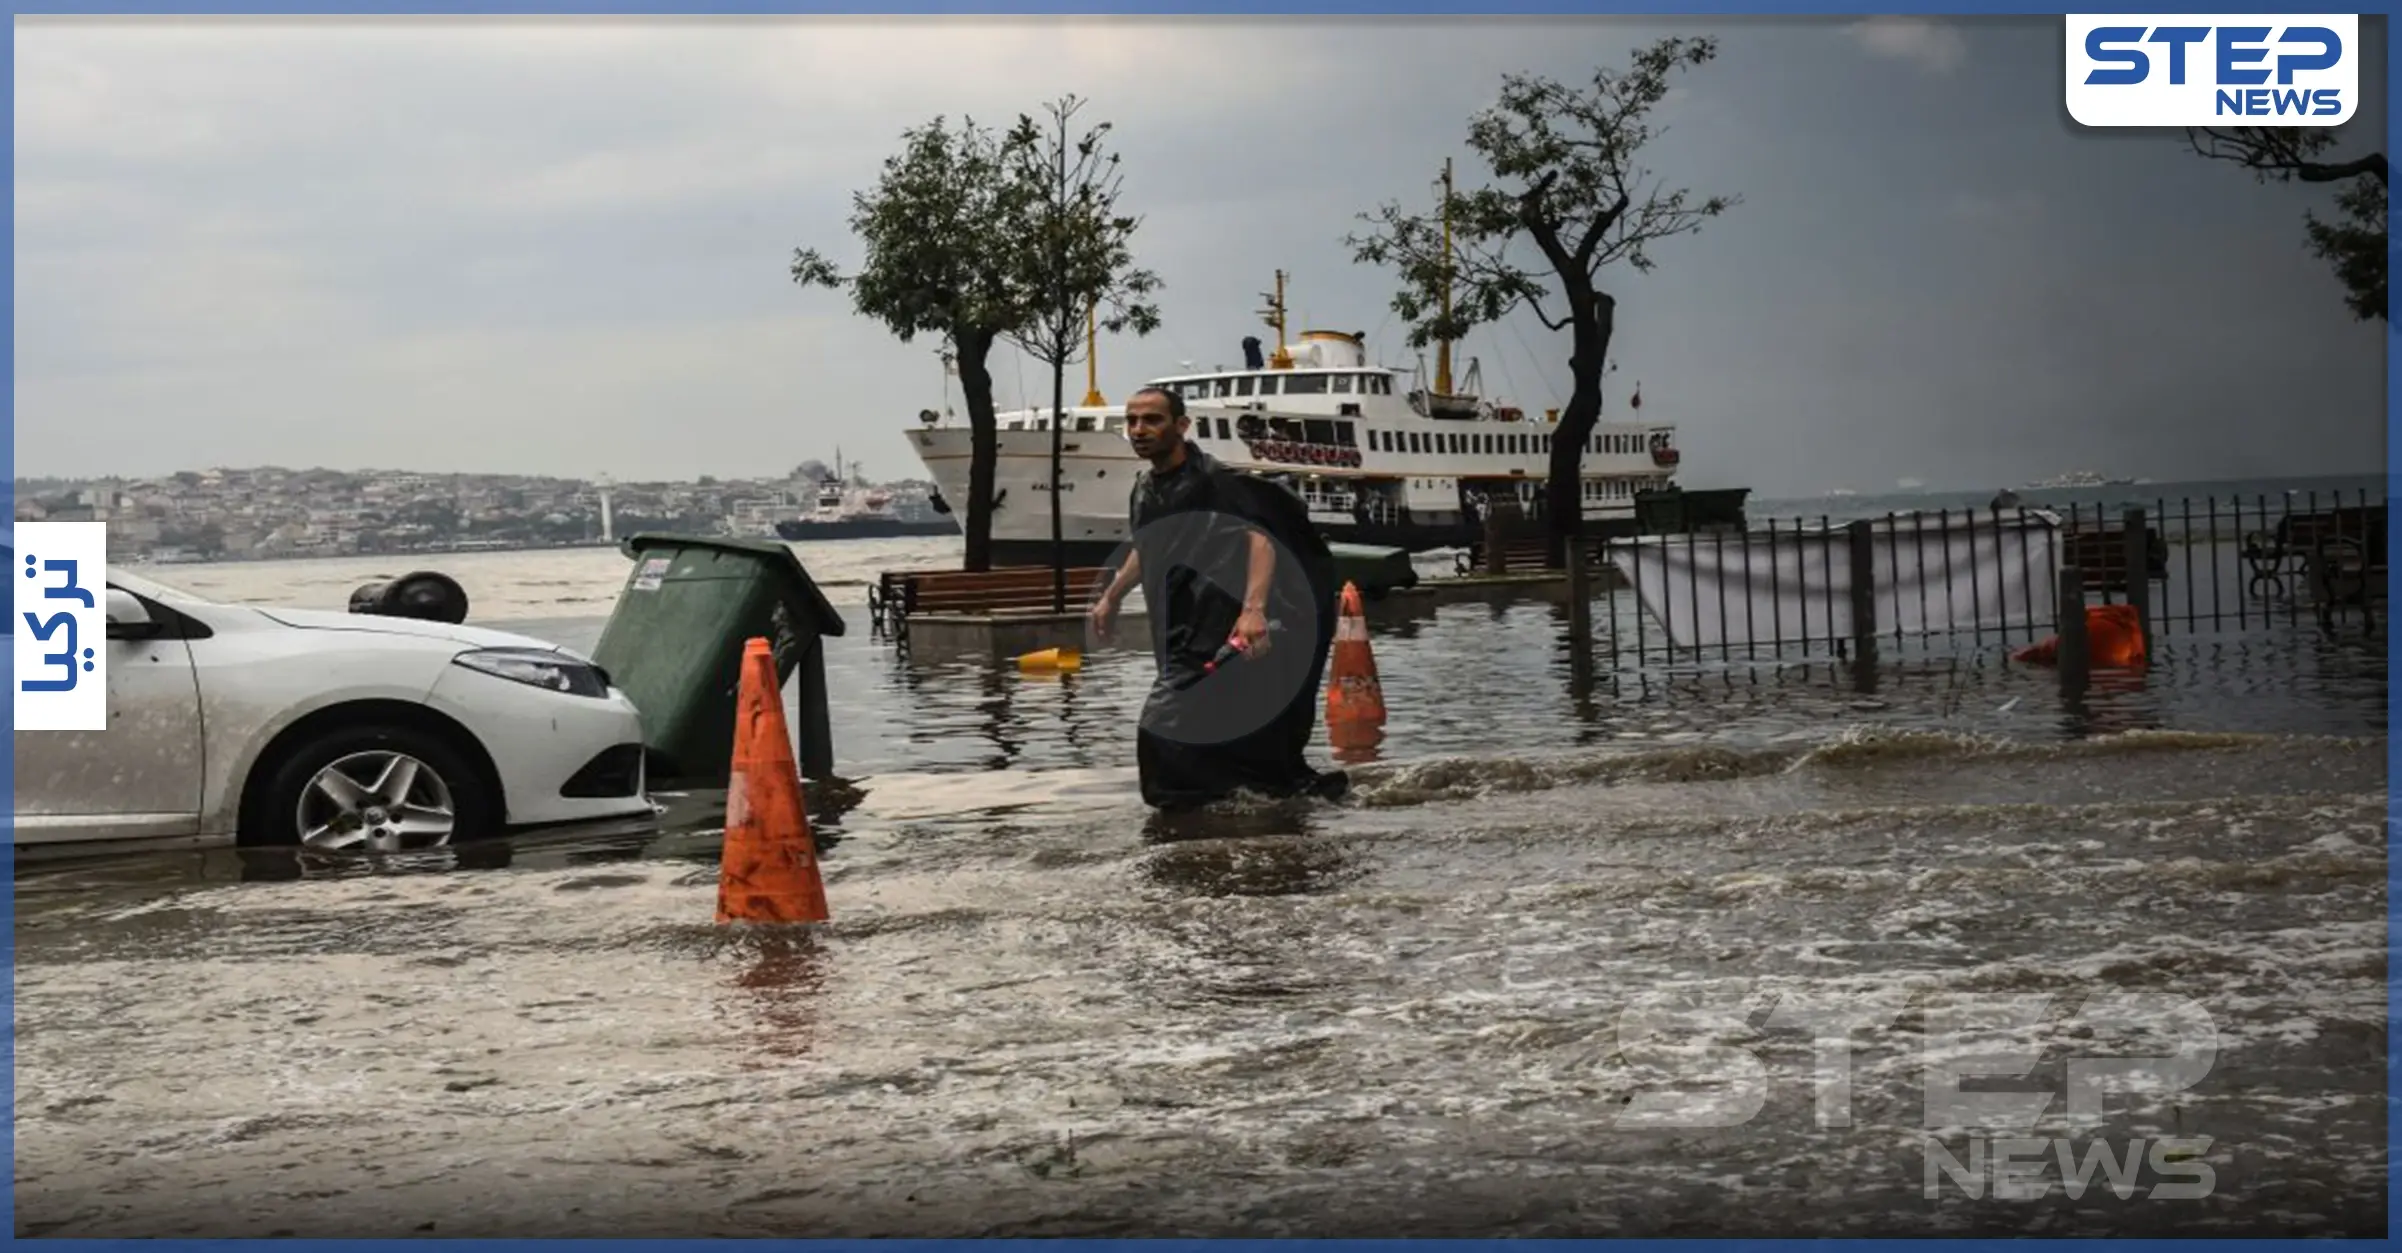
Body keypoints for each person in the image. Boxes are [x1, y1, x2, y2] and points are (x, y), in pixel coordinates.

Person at [1088, 386, 1347, 811]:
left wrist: (1253, 611)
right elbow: (1145, 546)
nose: (1139, 430)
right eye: (1132, 421)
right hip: (1175, 626)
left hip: (1219, 624)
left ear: (1181, 425)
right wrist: (1112, 596)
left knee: (1161, 728)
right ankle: (1251, 809)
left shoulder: (1213, 481)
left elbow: (1261, 540)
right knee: (1227, 732)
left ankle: (1186, 824)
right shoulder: (1144, 487)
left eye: (1152, 420)